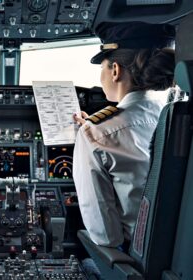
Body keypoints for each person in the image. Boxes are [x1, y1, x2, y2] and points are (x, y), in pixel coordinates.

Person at [72, 21, 175, 248]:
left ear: (116, 70)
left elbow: (106, 236)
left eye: (102, 68)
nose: (101, 77)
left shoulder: (95, 133)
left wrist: (89, 134)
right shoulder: (178, 119)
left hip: (137, 261)